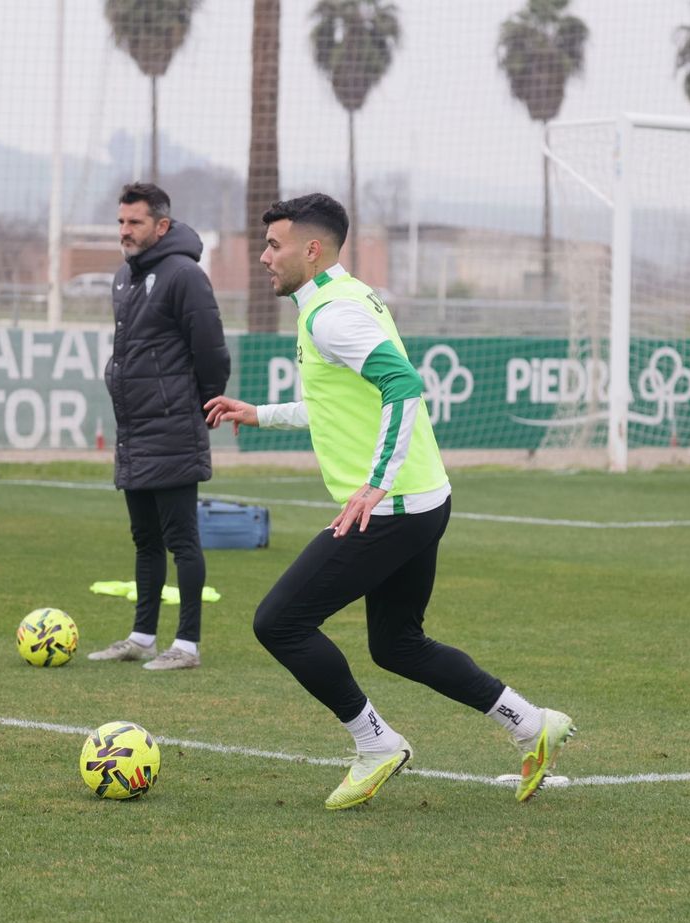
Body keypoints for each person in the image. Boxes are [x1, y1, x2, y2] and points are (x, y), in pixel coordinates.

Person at [204, 193, 575, 810]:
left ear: (312, 248)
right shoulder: (342, 298)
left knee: (280, 623)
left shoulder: (330, 314)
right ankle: (533, 725)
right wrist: (260, 414)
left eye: (274, 245)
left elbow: (403, 386)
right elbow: (342, 404)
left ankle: (375, 744)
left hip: (393, 507)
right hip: (423, 499)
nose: (264, 257)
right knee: (397, 644)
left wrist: (376, 483)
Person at [88, 182, 230, 671]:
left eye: (135, 223)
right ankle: (142, 636)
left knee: (182, 541)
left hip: (172, 429)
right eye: (121, 222)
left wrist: (203, 406)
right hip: (135, 430)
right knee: (145, 541)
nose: (125, 232)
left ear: (161, 226)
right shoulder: (125, 278)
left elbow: (210, 350)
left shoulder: (185, 275)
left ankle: (186, 645)